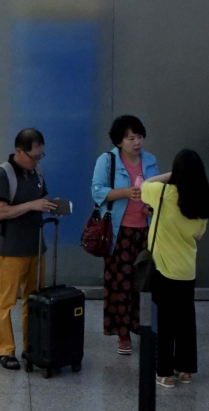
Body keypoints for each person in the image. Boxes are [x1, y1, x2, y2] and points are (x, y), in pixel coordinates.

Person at [90, 114, 160, 354]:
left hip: (145, 231)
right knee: (118, 283)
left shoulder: (150, 161)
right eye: (131, 138)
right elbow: (97, 192)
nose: (137, 142)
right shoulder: (107, 161)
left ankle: (142, 327)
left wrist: (151, 205)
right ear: (120, 141)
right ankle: (123, 335)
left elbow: (159, 191)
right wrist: (124, 193)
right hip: (117, 233)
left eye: (140, 137)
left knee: (144, 282)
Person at [0, 128, 57, 370]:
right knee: (6, 302)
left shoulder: (36, 172)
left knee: (34, 300)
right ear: (19, 151)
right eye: (34, 156)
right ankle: (6, 351)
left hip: (36, 246)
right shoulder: (3, 175)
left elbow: (42, 200)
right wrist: (32, 205)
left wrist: (51, 206)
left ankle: (32, 346)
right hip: (12, 248)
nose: (38, 161)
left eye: (41, 156)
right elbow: (0, 212)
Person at [141, 150, 209, 388]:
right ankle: (185, 370)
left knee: (165, 322)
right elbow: (198, 236)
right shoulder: (203, 202)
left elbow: (144, 185)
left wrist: (170, 175)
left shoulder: (164, 193)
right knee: (186, 321)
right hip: (187, 270)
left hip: (163, 268)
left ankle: (165, 373)